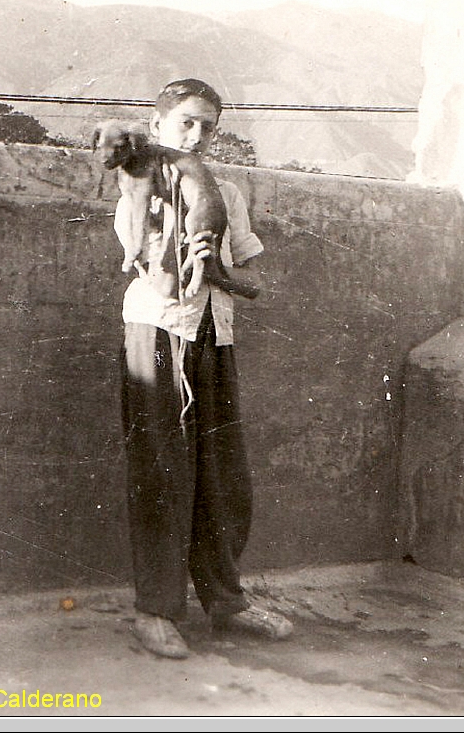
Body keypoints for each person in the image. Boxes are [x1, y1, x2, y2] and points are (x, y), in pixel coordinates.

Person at [119, 78, 293, 659]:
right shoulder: (140, 186)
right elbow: (143, 260)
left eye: (208, 126)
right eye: (186, 123)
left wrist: (219, 272)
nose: (197, 135)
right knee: (163, 474)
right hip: (160, 333)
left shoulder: (231, 192)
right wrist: (171, 220)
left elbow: (256, 280)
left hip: (214, 338)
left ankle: (227, 603)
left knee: (222, 477)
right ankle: (156, 610)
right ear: (158, 126)